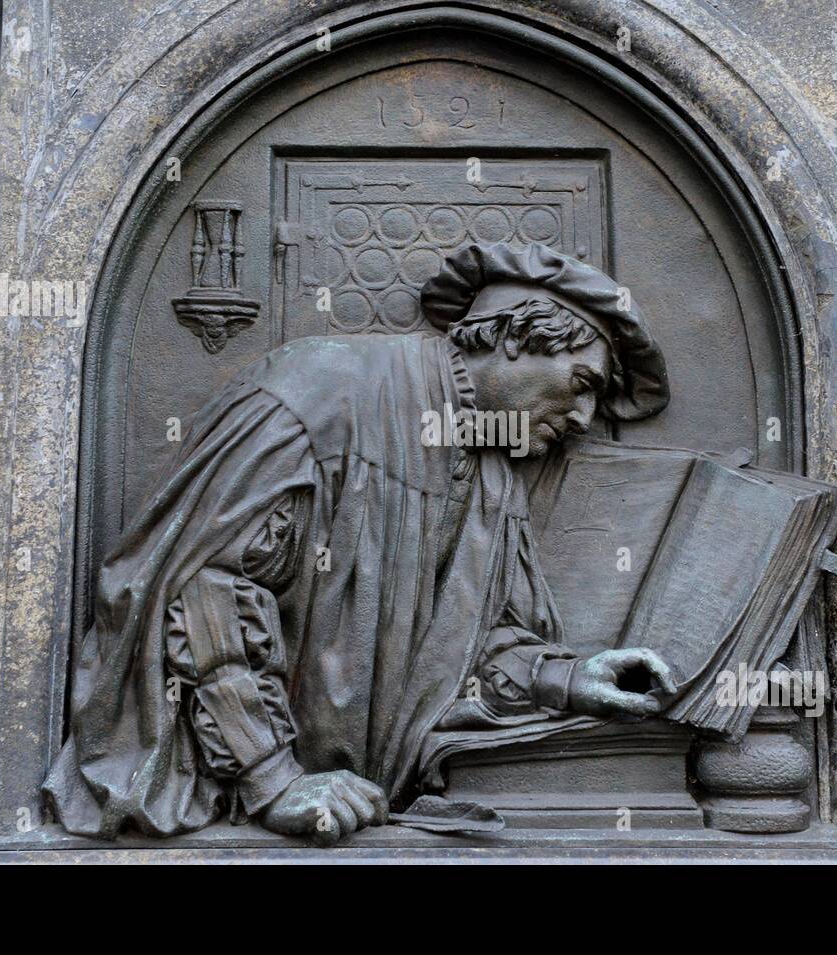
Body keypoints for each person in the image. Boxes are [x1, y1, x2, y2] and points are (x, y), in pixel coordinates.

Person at [43, 241, 676, 844]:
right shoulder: (320, 389)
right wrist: (272, 778)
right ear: (518, 337)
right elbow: (207, 590)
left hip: (373, 811)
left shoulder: (492, 472)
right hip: (248, 803)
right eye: (585, 383)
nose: (584, 420)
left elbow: (474, 645)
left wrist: (563, 678)